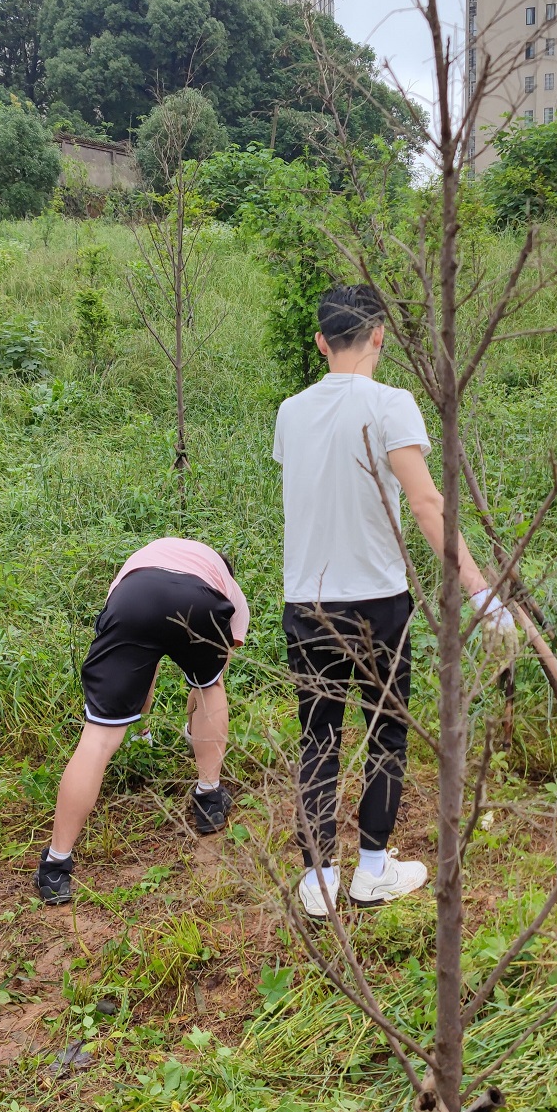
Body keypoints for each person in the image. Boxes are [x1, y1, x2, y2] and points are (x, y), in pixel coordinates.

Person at [273, 284, 514, 918]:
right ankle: (372, 870)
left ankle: (319, 879)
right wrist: (482, 592)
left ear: (322, 341)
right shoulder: (391, 405)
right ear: (379, 336)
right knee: (385, 733)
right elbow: (427, 504)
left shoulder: (289, 412)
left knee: (318, 737)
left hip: (307, 604)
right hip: (377, 604)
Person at [35, 538, 250, 905]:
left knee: (98, 739)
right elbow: (209, 678)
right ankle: (209, 796)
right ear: (227, 573)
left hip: (133, 596)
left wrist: (141, 728)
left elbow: (141, 668)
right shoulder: (229, 589)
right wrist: (192, 730)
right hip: (200, 602)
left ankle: (56, 866)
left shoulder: (139, 562)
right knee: (212, 687)